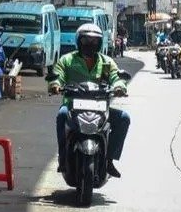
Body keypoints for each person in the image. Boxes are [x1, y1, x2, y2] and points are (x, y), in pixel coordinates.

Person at [50, 23, 130, 177]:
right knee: (61, 116)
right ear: (79, 41)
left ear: (99, 43)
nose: (90, 44)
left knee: (124, 118)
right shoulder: (67, 60)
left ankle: (109, 159)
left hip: (100, 107)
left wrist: (120, 87)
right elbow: (57, 74)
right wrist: (55, 85)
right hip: (73, 106)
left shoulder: (106, 62)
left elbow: (116, 77)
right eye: (86, 40)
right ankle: (63, 157)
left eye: (94, 41)